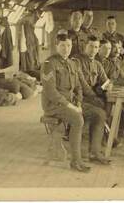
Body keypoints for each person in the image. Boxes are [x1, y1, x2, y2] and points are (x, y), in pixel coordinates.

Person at [40, 33, 90, 172]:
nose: (66, 49)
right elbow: (51, 92)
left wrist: (79, 102)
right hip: (53, 105)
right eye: (62, 45)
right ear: (56, 46)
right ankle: (76, 161)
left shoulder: (73, 63)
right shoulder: (49, 64)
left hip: (70, 103)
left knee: (93, 114)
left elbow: (78, 86)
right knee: (78, 120)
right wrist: (72, 106)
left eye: (68, 45)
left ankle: (86, 153)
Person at [72, 35, 112, 165]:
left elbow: (106, 81)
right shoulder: (77, 61)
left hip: (90, 99)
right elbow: (82, 85)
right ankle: (96, 150)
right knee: (100, 113)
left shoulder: (97, 64)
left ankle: (97, 147)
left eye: (96, 47)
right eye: (91, 46)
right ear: (85, 46)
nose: (93, 50)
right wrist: (95, 96)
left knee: (104, 109)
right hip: (77, 99)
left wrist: (104, 87)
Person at [98, 40, 124, 137]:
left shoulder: (119, 61)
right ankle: (106, 133)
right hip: (101, 91)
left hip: (112, 88)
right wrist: (118, 82)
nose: (117, 50)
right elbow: (106, 81)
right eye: (114, 48)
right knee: (109, 105)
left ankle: (121, 129)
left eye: (119, 48)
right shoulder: (104, 61)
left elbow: (118, 77)